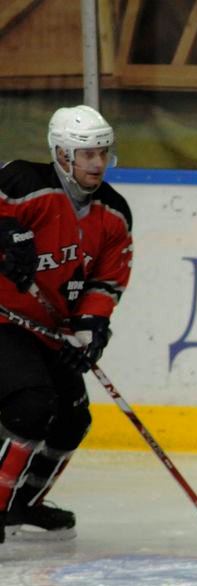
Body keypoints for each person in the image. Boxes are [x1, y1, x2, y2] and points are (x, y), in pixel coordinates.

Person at [0, 105, 133, 540]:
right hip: (4, 319)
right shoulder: (21, 182)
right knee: (31, 405)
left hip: (51, 328)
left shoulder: (113, 211)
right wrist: (5, 237)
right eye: (87, 154)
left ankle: (24, 504)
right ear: (61, 154)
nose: (97, 163)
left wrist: (93, 326)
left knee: (71, 418)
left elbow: (107, 277)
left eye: (102, 153)